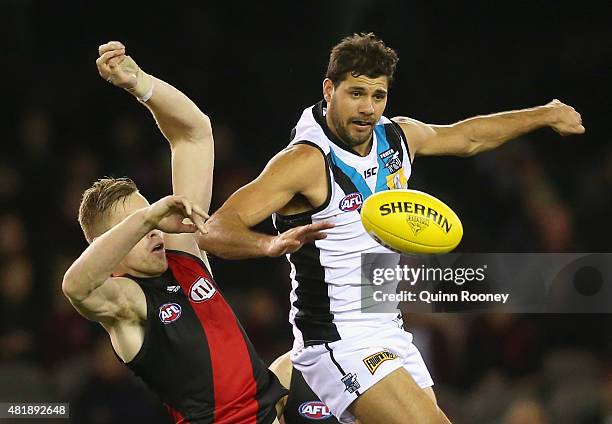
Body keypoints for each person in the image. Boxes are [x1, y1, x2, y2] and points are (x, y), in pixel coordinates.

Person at [198, 33, 584, 424]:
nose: (368, 108)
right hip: (338, 340)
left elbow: (468, 137)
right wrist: (269, 245)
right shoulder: (304, 161)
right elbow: (214, 230)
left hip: (388, 327)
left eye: (378, 95)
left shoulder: (398, 137)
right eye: (357, 93)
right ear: (329, 90)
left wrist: (546, 114)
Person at [62, 41, 287, 424]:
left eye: (148, 215)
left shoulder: (183, 252)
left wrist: (141, 85)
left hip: (270, 409)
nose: (153, 229)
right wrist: (147, 218)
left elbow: (194, 134)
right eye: (137, 225)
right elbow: (75, 286)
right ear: (110, 248)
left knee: (321, 358)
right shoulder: (126, 304)